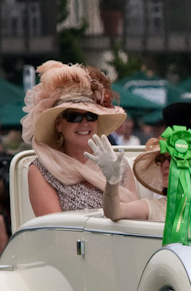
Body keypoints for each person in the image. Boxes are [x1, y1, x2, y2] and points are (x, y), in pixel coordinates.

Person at [23, 61, 138, 216]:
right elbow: (54, 231)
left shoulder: (119, 165)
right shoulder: (42, 170)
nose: (84, 123)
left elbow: (135, 220)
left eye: (91, 116)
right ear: (59, 124)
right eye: (74, 116)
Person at [83, 135, 191, 222]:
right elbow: (114, 212)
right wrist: (112, 182)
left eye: (174, 158)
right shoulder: (154, 206)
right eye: (162, 159)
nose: (165, 165)